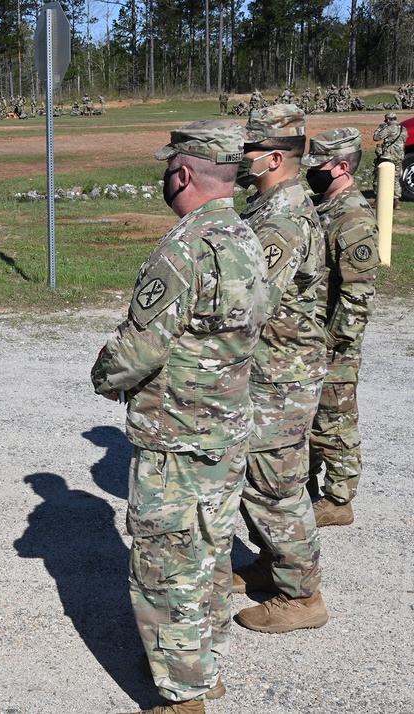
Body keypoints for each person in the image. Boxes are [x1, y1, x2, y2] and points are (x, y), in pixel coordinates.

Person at [91, 120, 269, 714]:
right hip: (225, 430)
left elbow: (139, 348)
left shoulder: (184, 248)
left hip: (176, 435)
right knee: (211, 548)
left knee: (167, 563)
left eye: (169, 168)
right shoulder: (247, 237)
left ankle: (183, 693)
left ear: (184, 175)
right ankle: (203, 661)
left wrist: (104, 375)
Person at [232, 105, 328, 633]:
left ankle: (302, 595)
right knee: (262, 478)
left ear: (274, 157)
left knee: (275, 487)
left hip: (281, 377)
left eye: (248, 150)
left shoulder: (282, 220)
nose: (240, 157)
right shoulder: (268, 206)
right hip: (274, 371)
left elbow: (251, 300)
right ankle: (273, 565)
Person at [301, 128, 380, 527]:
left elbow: (358, 293)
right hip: (313, 336)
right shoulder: (324, 207)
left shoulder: (353, 218)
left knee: (335, 417)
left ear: (343, 167)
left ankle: (339, 498)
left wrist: (335, 343)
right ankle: (308, 484)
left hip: (333, 342)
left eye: (319, 165)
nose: (311, 171)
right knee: (312, 416)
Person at [372, 112, 407, 208]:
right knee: (396, 178)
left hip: (388, 156)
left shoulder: (388, 128)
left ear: (388, 120)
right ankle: (396, 201)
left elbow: (376, 137)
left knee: (379, 176)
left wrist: (380, 128)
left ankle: (377, 199)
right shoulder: (403, 129)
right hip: (399, 156)